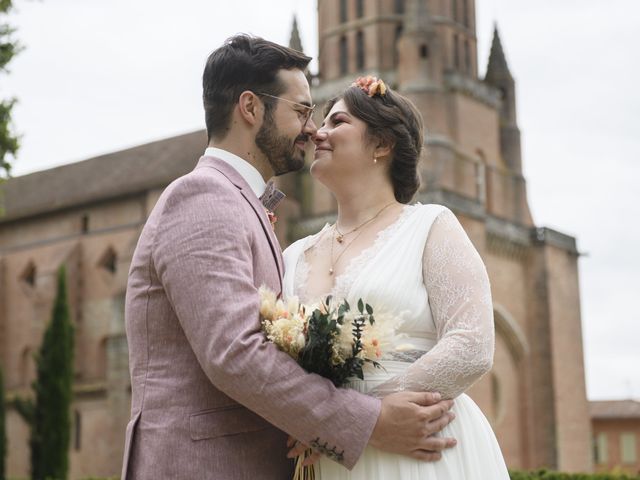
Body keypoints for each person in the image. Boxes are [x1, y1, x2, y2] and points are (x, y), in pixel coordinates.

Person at [121, 36, 457, 480]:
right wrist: (370, 420)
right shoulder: (203, 196)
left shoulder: (243, 203)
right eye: (301, 110)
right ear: (250, 108)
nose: (313, 128)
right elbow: (235, 353)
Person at [282, 76, 510, 479]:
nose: (319, 131)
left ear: (383, 144)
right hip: (330, 459)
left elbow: (472, 344)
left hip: (419, 448)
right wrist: (331, 423)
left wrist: (365, 415)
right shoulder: (293, 255)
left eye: (338, 122)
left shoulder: (430, 226)